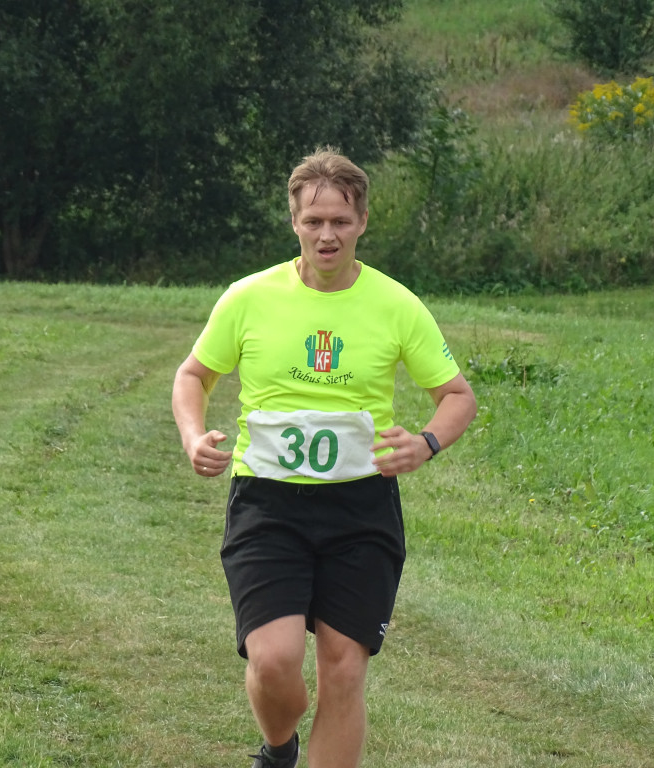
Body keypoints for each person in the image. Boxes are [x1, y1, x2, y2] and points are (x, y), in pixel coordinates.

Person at [171, 147, 477, 768]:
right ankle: (279, 747)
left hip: (360, 507)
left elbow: (457, 396)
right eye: (314, 222)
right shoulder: (249, 298)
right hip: (268, 503)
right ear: (294, 223)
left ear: (362, 221)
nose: (327, 234)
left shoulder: (395, 304)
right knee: (276, 662)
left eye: (340, 220)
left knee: (344, 668)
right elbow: (192, 375)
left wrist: (425, 443)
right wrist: (192, 433)